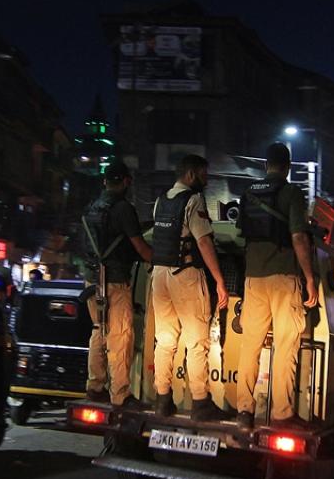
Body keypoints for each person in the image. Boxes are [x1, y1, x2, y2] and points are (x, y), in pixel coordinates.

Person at [235, 142, 317, 430]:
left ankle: (244, 411)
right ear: (288, 167)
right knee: (285, 345)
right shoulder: (292, 193)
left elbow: (243, 235)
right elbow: (299, 238)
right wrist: (309, 278)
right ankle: (282, 413)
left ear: (265, 165)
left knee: (250, 345)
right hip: (283, 277)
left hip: (253, 278)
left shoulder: (248, 193)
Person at [150, 154, 229, 421]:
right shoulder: (194, 200)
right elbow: (204, 242)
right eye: (204, 175)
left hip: (159, 275)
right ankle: (200, 402)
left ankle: (162, 400)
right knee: (196, 341)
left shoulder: (160, 201)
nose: (207, 180)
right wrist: (219, 280)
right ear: (192, 174)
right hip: (185, 275)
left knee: (165, 340)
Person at [82, 162, 152, 408]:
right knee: (120, 336)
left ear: (104, 181)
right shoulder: (123, 209)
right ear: (126, 181)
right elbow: (140, 247)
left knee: (98, 331)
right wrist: (161, 260)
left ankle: (95, 387)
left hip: (92, 280)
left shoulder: (92, 207)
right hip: (115, 281)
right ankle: (121, 394)